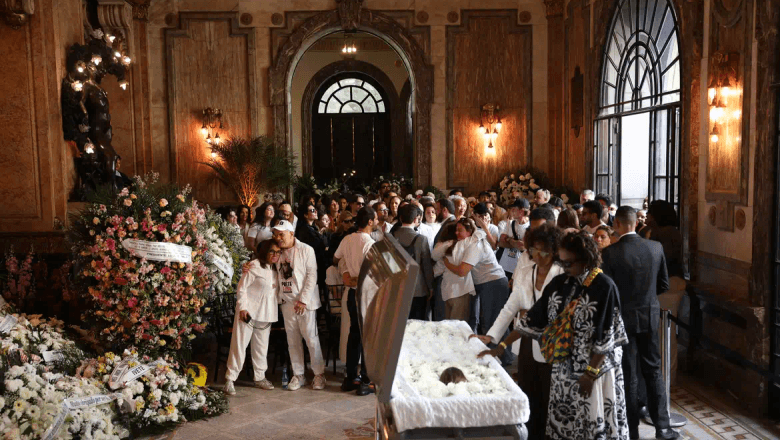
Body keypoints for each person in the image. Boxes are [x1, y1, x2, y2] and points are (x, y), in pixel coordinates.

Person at [482, 231, 629, 440]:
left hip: (595, 368)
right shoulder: (560, 283)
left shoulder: (604, 286)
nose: (565, 267)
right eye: (562, 262)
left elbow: (608, 336)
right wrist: (502, 346)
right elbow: (533, 319)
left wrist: (590, 373)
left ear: (586, 259)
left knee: (591, 421)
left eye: (569, 263)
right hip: (564, 369)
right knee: (565, 423)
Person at [472, 223, 565, 440]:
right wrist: (492, 336)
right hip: (527, 344)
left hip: (554, 345)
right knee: (529, 393)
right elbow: (510, 307)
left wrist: (531, 314)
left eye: (544, 251)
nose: (537, 255)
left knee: (550, 397)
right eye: (534, 250)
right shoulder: (525, 272)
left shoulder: (562, 275)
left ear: (554, 251)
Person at [601, 206, 678, 440]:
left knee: (628, 374)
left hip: (623, 318)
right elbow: (664, 284)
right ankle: (663, 427)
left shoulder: (610, 253)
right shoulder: (655, 247)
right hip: (649, 315)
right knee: (653, 370)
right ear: (636, 223)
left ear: (616, 224)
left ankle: (631, 430)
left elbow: (608, 291)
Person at [272, 220, 326, 391]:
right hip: (287, 302)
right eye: (276, 234)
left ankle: (319, 374)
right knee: (292, 340)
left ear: (291, 233)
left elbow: (312, 276)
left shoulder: (306, 249)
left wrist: (303, 300)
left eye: (281, 234)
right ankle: (299, 374)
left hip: (305, 303)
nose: (278, 238)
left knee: (311, 338)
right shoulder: (276, 251)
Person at [223, 239, 281, 395]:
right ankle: (230, 379)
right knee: (239, 345)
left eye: (278, 252)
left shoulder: (277, 268)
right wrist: (243, 308)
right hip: (248, 313)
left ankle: (260, 377)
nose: (275, 255)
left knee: (261, 347)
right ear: (264, 252)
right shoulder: (254, 266)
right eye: (272, 251)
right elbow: (241, 288)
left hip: (267, 313)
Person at [333, 207, 377, 396]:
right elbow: (373, 272)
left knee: (354, 334)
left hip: (352, 292)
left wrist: (347, 273)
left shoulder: (347, 239)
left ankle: (350, 377)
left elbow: (336, 258)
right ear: (370, 222)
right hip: (366, 293)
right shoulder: (370, 243)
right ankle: (365, 380)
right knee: (367, 337)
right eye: (375, 219)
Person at [644, 200, 685, 385]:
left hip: (668, 286)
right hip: (664, 284)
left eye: (650, 213)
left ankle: (667, 378)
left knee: (665, 334)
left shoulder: (667, 233)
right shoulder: (661, 232)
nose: (647, 216)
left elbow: (662, 260)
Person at [393, 204, 434, 320]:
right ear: (416, 219)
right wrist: (431, 287)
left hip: (396, 288)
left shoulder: (390, 236)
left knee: (399, 322)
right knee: (417, 324)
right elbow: (427, 266)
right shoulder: (421, 239)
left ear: (401, 218)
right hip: (417, 288)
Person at [295, 202, 329, 287]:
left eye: (315, 210)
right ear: (306, 215)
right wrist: (321, 236)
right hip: (311, 267)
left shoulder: (312, 229)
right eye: (312, 210)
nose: (316, 212)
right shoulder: (305, 230)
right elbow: (321, 244)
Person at [497, 198, 530, 279]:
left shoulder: (530, 227)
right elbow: (501, 242)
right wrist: (515, 242)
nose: (511, 211)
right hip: (506, 264)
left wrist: (509, 239)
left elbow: (523, 247)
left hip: (520, 266)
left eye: (514, 209)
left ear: (521, 211)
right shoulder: (510, 223)